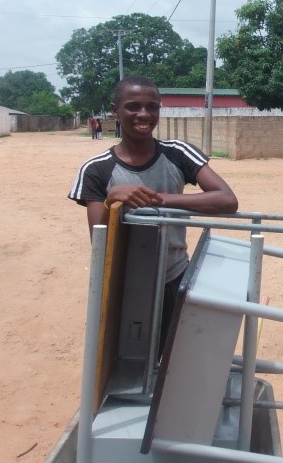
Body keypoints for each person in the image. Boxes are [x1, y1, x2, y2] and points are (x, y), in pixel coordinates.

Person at [68, 75, 238, 353]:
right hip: (125, 285)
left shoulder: (178, 153)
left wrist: (156, 200)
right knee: (128, 361)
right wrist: (112, 201)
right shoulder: (96, 169)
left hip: (174, 277)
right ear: (115, 111)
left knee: (176, 361)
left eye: (152, 107)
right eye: (133, 107)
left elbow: (227, 200)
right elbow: (99, 243)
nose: (144, 115)